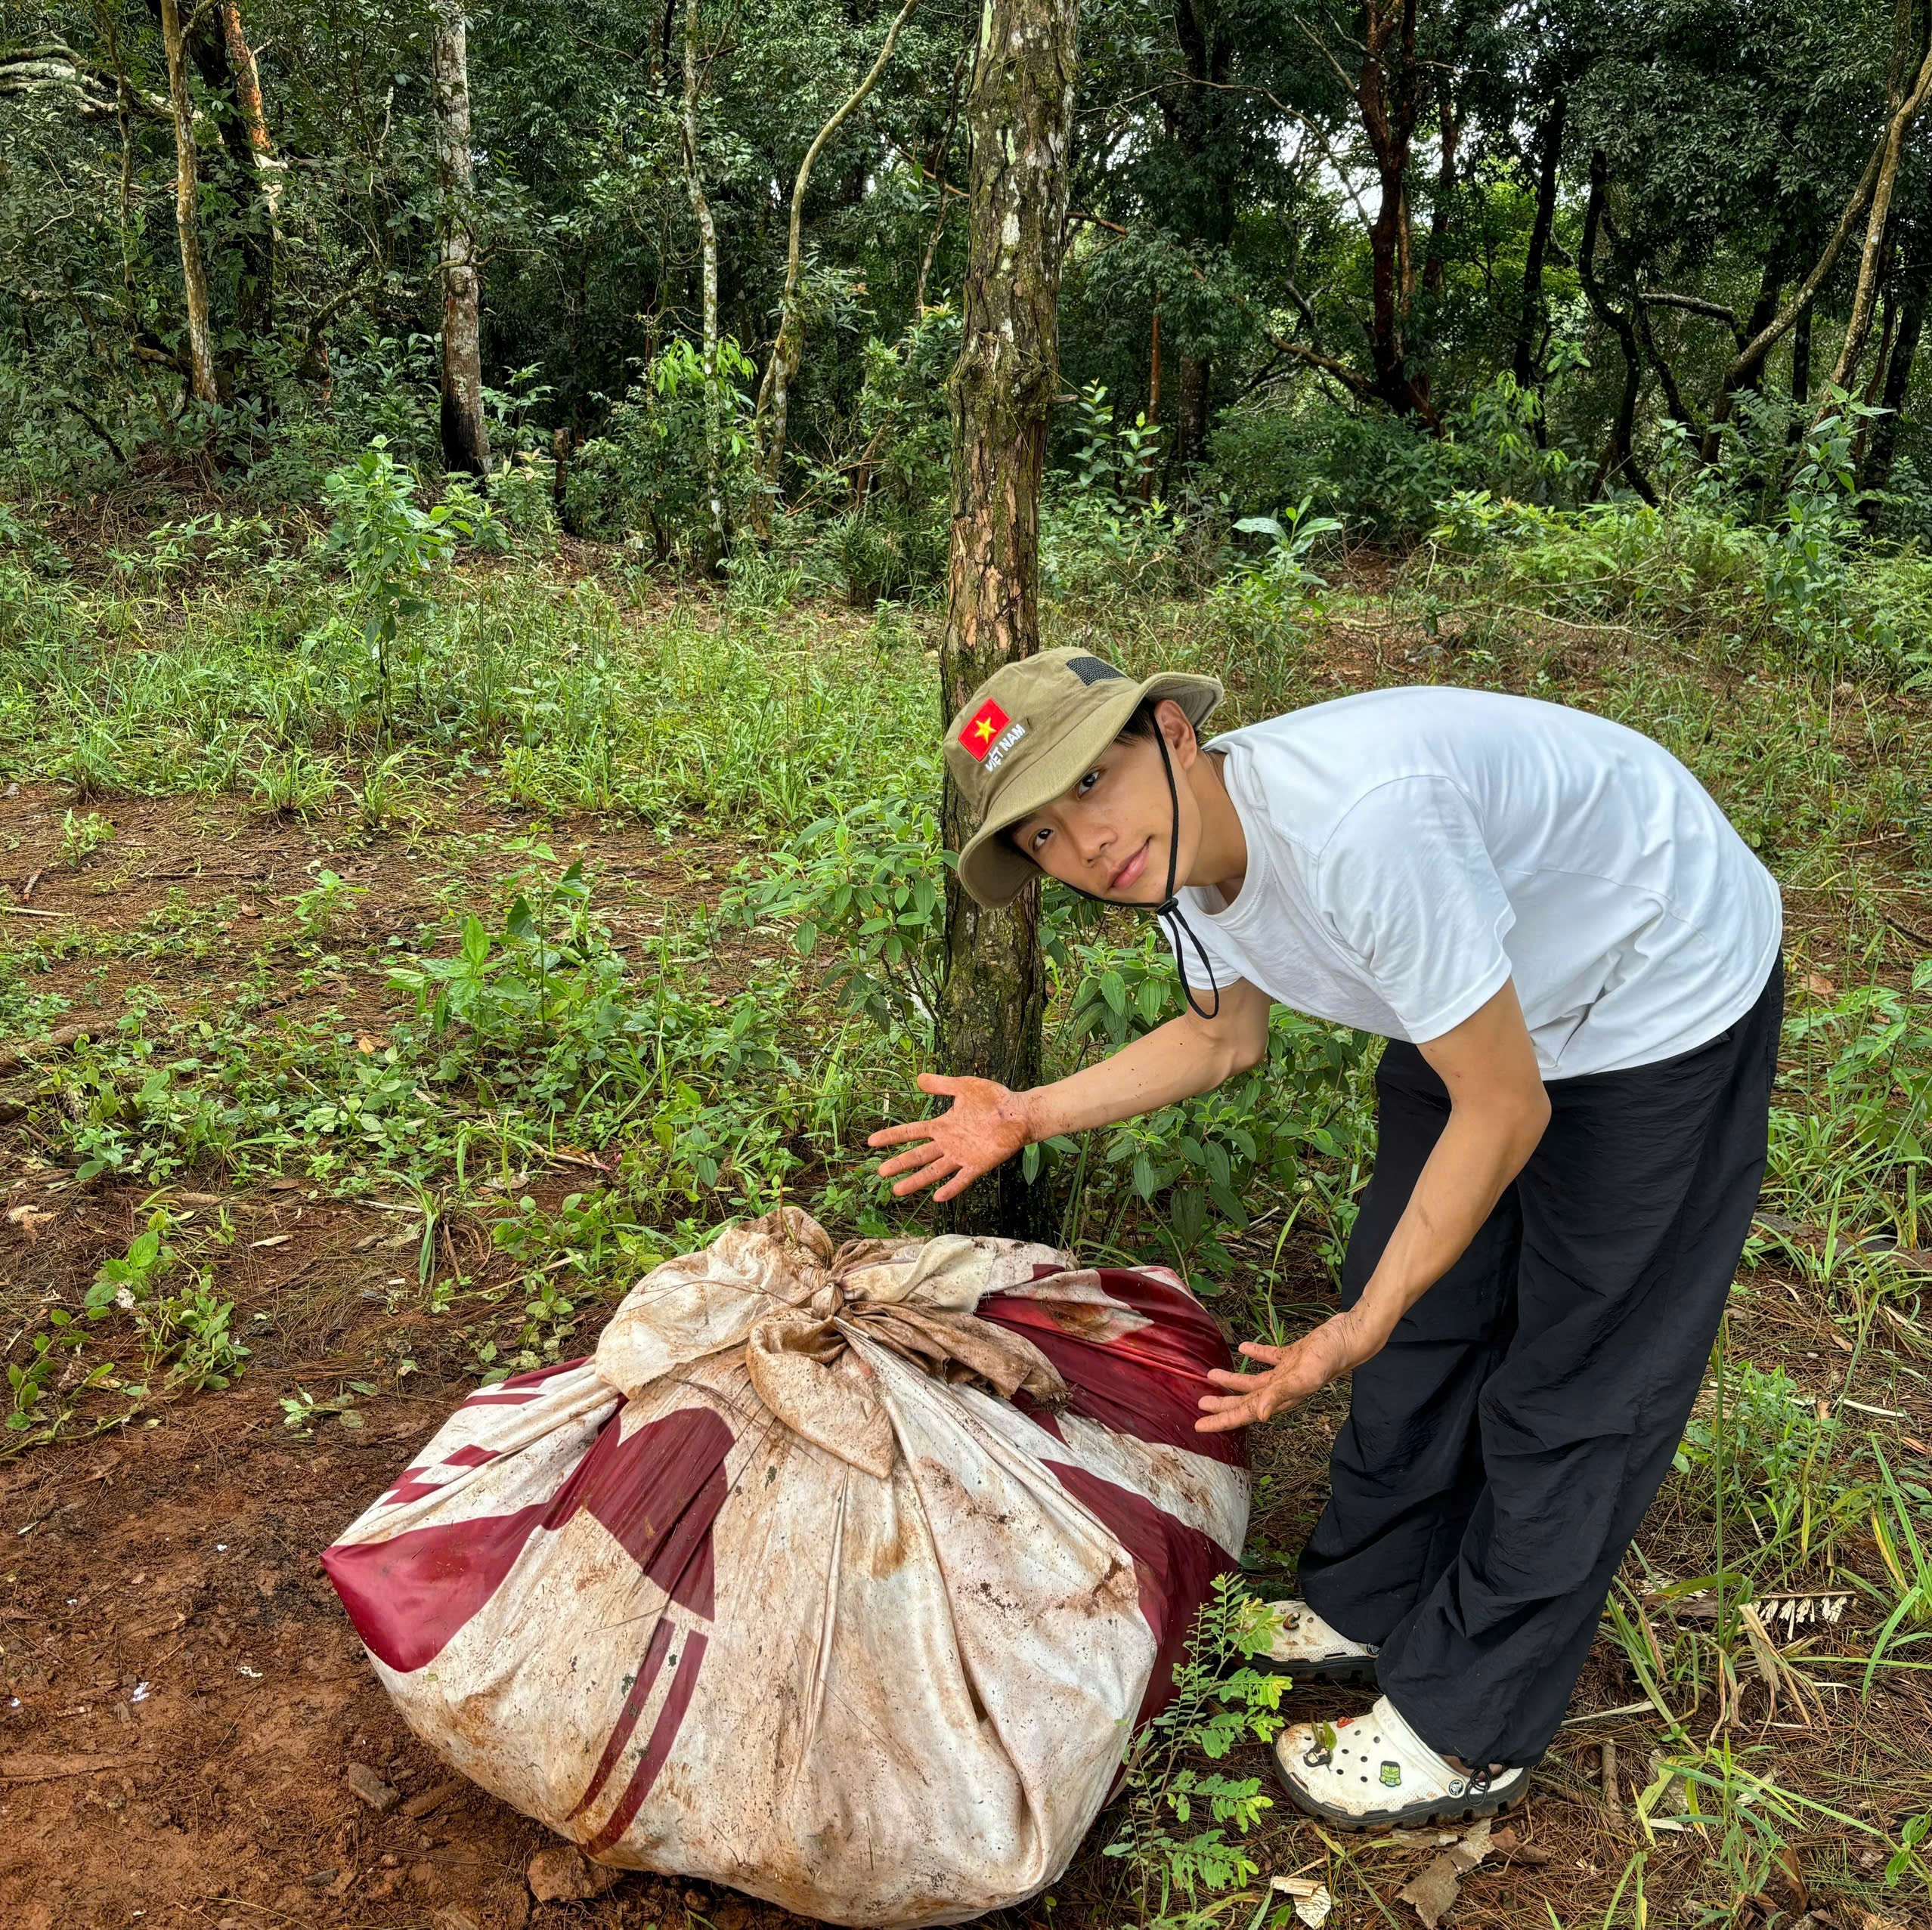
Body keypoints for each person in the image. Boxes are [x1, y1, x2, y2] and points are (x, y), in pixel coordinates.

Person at [868, 647, 1782, 1829]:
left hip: (1655, 979)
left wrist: (1355, 1326)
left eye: (1092, 781)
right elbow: (1218, 1039)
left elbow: (1506, 1106)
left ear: (1172, 734)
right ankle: (1371, 1593)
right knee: (1421, 1309)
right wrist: (1026, 1112)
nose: (1085, 846)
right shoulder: (1181, 864)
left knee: (1577, 1370)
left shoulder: (1360, 830)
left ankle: (1470, 1722)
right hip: (1473, 990)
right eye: (1042, 833)